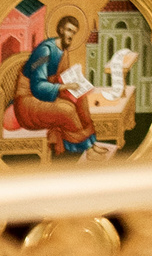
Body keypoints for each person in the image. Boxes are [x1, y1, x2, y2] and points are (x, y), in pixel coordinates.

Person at [8, 13, 108, 157]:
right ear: (60, 30)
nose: (70, 35)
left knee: (81, 100)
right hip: (28, 102)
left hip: (47, 95)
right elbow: (37, 86)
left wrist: (77, 83)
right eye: (68, 30)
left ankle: (92, 143)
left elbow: (62, 77)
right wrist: (65, 87)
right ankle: (86, 149)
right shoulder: (45, 51)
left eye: (73, 32)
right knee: (67, 109)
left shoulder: (63, 50)